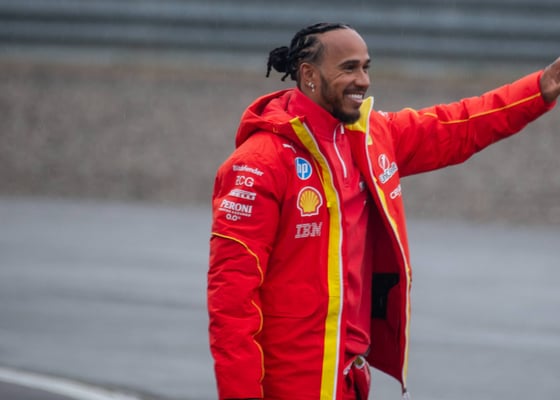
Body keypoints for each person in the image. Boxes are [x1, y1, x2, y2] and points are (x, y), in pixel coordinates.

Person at [207, 22, 560, 400]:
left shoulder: (371, 135)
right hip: (291, 383)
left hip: (351, 377)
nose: (363, 80)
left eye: (366, 67)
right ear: (309, 75)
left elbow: (457, 125)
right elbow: (231, 304)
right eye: (349, 68)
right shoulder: (258, 164)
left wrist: (539, 89)